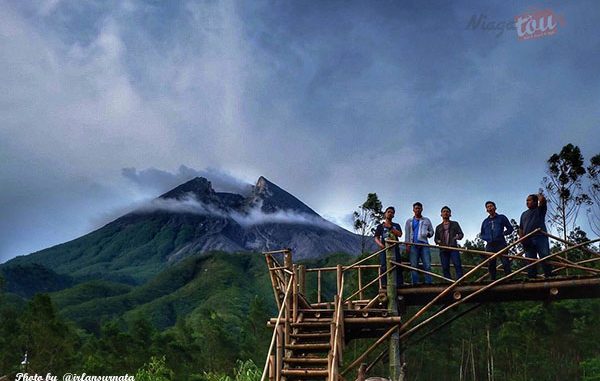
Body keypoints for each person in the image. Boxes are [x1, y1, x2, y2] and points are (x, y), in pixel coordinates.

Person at [519, 193, 552, 278]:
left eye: (529, 200)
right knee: (530, 259)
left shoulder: (540, 210)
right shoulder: (524, 214)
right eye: (526, 200)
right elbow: (521, 228)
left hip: (540, 237)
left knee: (544, 256)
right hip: (527, 240)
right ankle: (532, 277)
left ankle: (549, 275)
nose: (527, 202)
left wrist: (537, 195)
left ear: (535, 202)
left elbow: (543, 201)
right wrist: (521, 238)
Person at [480, 201, 514, 280]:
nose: (490, 208)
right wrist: (487, 238)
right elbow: (482, 234)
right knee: (491, 264)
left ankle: (509, 279)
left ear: (495, 207)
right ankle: (493, 280)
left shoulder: (501, 217)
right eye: (488, 207)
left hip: (500, 243)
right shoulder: (485, 222)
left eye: (491, 206)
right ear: (486, 210)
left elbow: (510, 228)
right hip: (490, 245)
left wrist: (503, 233)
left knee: (505, 262)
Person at [405, 202, 434, 284]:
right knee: (414, 266)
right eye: (416, 208)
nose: (417, 210)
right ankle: (415, 283)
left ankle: (429, 283)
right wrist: (407, 245)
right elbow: (407, 234)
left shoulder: (426, 220)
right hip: (413, 245)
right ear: (413, 210)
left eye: (419, 208)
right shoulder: (409, 221)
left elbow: (432, 231)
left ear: (422, 209)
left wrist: (428, 234)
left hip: (424, 244)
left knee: (427, 265)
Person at [374, 206, 403, 288]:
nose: (390, 213)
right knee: (384, 266)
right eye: (389, 212)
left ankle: (399, 284)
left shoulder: (396, 225)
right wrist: (381, 245)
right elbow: (376, 237)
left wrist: (390, 227)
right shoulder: (380, 226)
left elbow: (400, 234)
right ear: (385, 213)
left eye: (392, 212)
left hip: (395, 248)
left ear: (393, 215)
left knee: (398, 265)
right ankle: (384, 285)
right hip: (385, 249)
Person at [434, 206, 464, 280]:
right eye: (444, 211)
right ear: (441, 214)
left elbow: (461, 234)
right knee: (445, 267)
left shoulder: (455, 224)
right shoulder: (438, 227)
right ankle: (448, 283)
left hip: (453, 247)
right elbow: (435, 239)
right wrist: (438, 241)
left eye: (447, 211)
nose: (445, 213)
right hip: (443, 249)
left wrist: (458, 237)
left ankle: (460, 282)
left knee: (457, 265)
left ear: (450, 214)